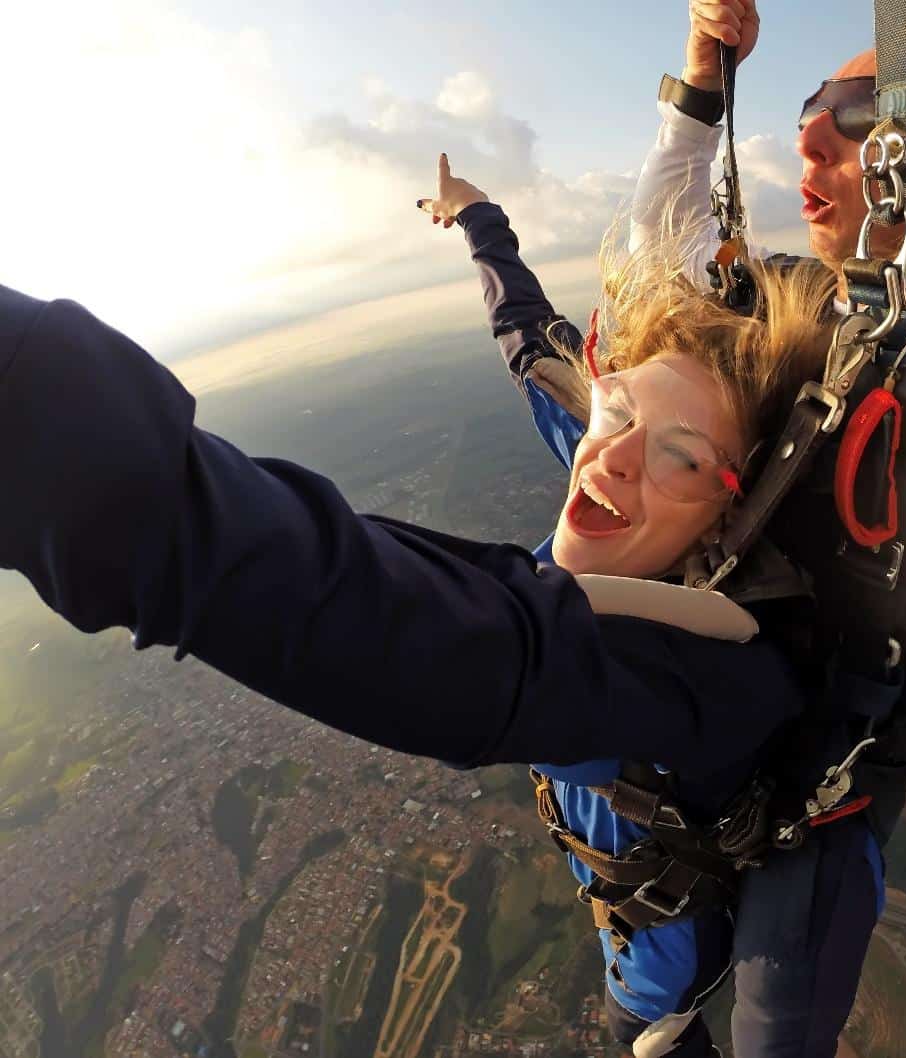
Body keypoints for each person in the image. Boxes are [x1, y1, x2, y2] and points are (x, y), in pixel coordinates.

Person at [0, 193, 838, 1057]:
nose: (616, 454)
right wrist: (481, 220)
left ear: (735, 522)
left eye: (682, 456)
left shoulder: (713, 678)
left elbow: (401, 627)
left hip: (660, 994)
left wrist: (35, 411)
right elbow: (527, 337)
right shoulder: (614, 466)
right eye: (618, 409)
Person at [463, 2, 906, 1053]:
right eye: (809, 106)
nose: (807, 135)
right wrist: (704, 77)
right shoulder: (794, 299)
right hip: (707, 718)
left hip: (820, 778)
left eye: (857, 112)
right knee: (651, 984)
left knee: (774, 1024)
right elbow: (657, 265)